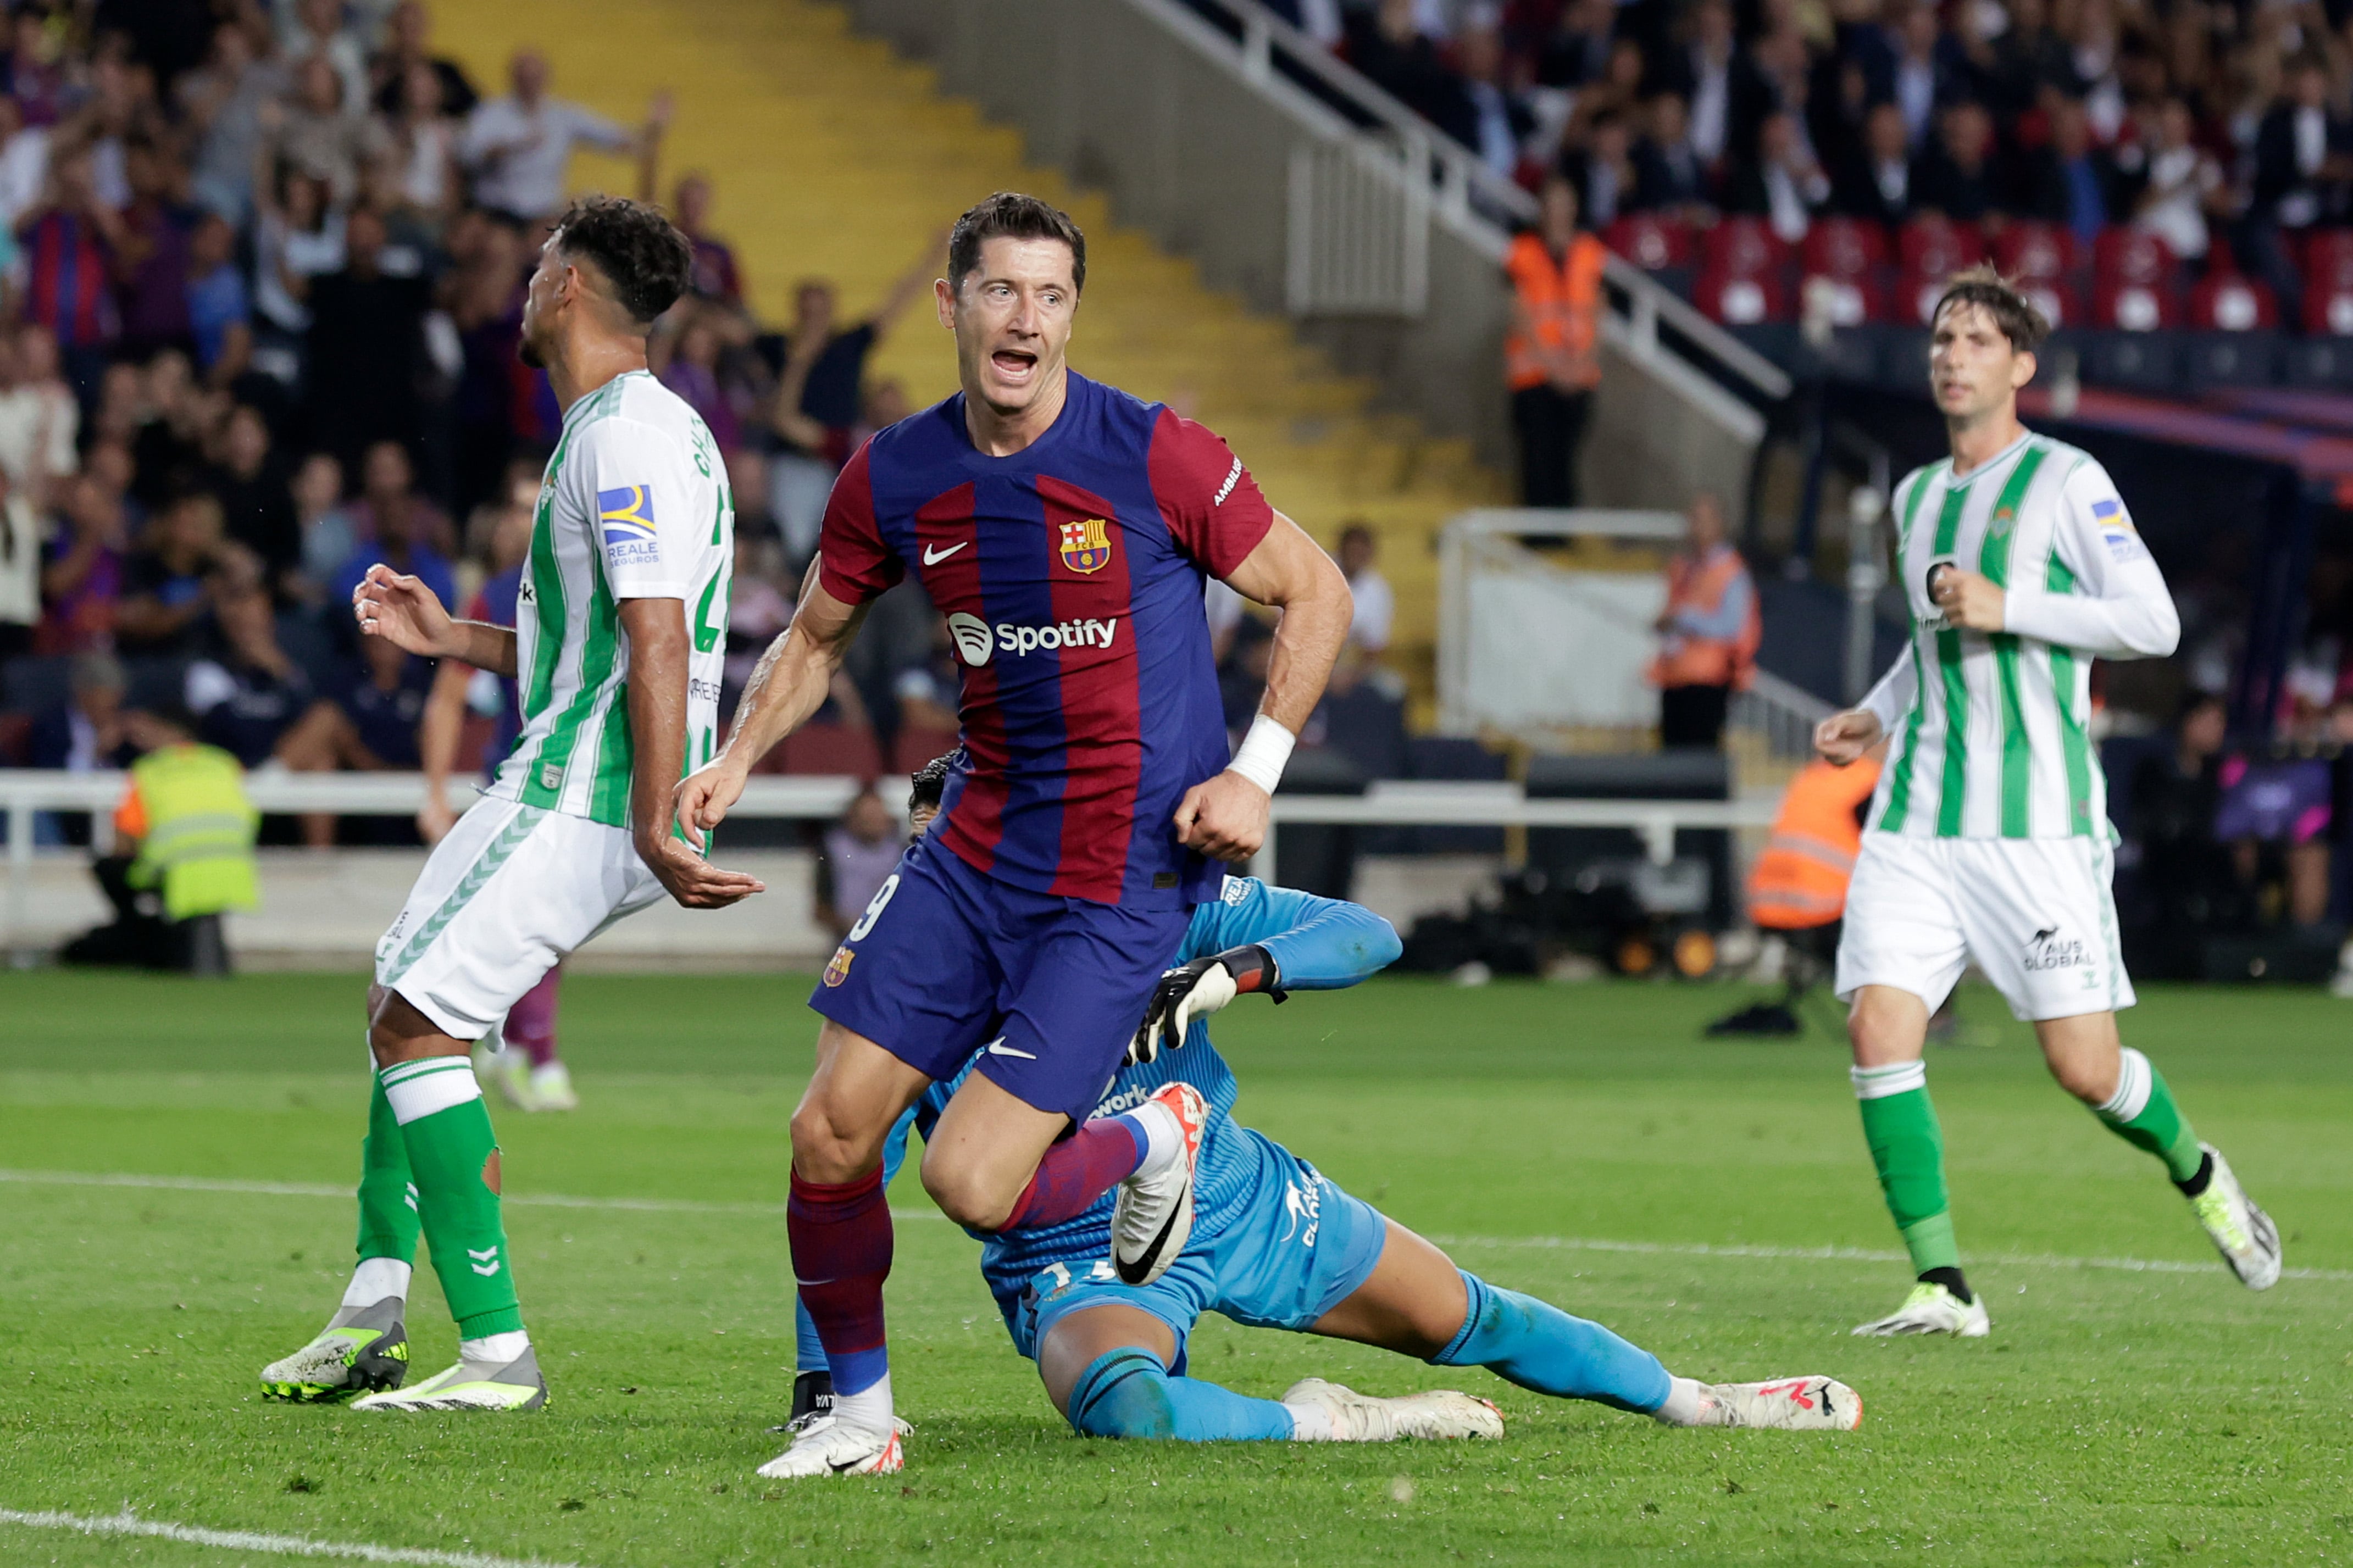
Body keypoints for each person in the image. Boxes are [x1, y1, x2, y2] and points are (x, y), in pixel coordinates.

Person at [675, 191, 1352, 1478]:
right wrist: (735, 755)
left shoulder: (1151, 453)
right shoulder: (897, 472)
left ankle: (1160, 1130)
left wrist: (1255, 772)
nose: (1023, 320)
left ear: (1070, 315)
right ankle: (858, 1422)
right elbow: (815, 635)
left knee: (976, 1184)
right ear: (950, 305)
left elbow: (1312, 590)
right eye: (998, 291)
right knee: (826, 1132)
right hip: (973, 854)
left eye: (1048, 296)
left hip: (1113, 881)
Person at [784, 755, 1864, 1445]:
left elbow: (1366, 933)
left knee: (1464, 1313)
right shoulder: (910, 982)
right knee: (1124, 1405)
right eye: (923, 854)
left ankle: (1705, 1398)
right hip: (1071, 1253)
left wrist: (1230, 970)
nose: (938, 872)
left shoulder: (1140, 912)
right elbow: (846, 1166)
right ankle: (1331, 1418)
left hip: (1231, 1193)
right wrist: (821, 1378)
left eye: (956, 845)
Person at [256, 193, 759, 1413]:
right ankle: (374, 1302)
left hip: (587, 785)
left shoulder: (621, 436)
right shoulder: (641, 429)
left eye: (540, 263)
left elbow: (650, 636)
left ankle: (494, 1353)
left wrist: (649, 811)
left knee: (417, 1022)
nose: (525, 281)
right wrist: (452, 639)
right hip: (598, 770)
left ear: (570, 289)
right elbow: (592, 641)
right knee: (399, 992)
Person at [1813, 264, 2279, 1338]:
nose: (1951, 353)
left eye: (1976, 338)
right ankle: (1941, 1283)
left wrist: (2010, 602)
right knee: (1878, 1023)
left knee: (2082, 1065)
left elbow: (2151, 622)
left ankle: (2197, 1168)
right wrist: (1876, 713)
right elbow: (1931, 644)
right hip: (1918, 814)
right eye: (1940, 335)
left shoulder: (2067, 482)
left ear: (2019, 365)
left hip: (2035, 825)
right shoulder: (1913, 496)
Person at [422, 495, 581, 1115]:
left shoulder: (592, 580)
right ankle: (535, 1054)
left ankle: (502, 1035)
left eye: (534, 505)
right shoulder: (496, 592)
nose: (524, 518)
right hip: (519, 777)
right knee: (543, 919)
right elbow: (447, 696)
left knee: (544, 926)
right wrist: (435, 790)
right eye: (513, 508)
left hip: (580, 775)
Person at [61, 702, 257, 973]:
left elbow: (124, 842)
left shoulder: (150, 771)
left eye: (151, 729)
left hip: (175, 869)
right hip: (234, 867)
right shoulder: (224, 763)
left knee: (108, 867)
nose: (143, 737)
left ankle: (141, 939)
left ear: (172, 731)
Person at [1709, 748, 1884, 1037]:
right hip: (1826, 911)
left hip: (1769, 907)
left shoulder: (1812, 776)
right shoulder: (1872, 782)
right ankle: (1917, 1019)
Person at [459, 50, 669, 223]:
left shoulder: (563, 116)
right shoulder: (491, 114)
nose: (531, 84)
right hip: (497, 212)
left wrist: (654, 126)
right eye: (525, 77)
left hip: (543, 214)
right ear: (513, 78)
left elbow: (620, 142)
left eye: (536, 77)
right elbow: (468, 156)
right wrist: (510, 148)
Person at [1505, 175, 1603, 510]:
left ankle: (1564, 533)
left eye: (1566, 203)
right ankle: (1538, 538)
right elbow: (1519, 313)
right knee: (1536, 458)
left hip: (1578, 375)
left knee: (1568, 458)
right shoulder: (1524, 250)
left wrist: (1581, 363)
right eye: (1553, 203)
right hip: (1534, 375)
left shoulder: (1590, 251)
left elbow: (1597, 312)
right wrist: (1552, 366)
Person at [1648, 491, 1757, 749]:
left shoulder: (1732, 571)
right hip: (1674, 675)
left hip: (1708, 680)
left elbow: (1732, 627)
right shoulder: (1684, 567)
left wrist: (1685, 619)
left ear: (1720, 523)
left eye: (1702, 519)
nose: (1696, 527)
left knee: (1700, 758)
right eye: (1693, 519)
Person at [1334, 522, 1392, 657]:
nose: (1355, 555)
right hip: (1309, 655)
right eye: (1352, 550)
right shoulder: (1318, 574)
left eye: (1360, 551)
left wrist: (1350, 677)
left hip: (1352, 663)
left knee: (1389, 679)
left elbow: (1374, 648)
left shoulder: (1378, 591)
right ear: (1341, 549)